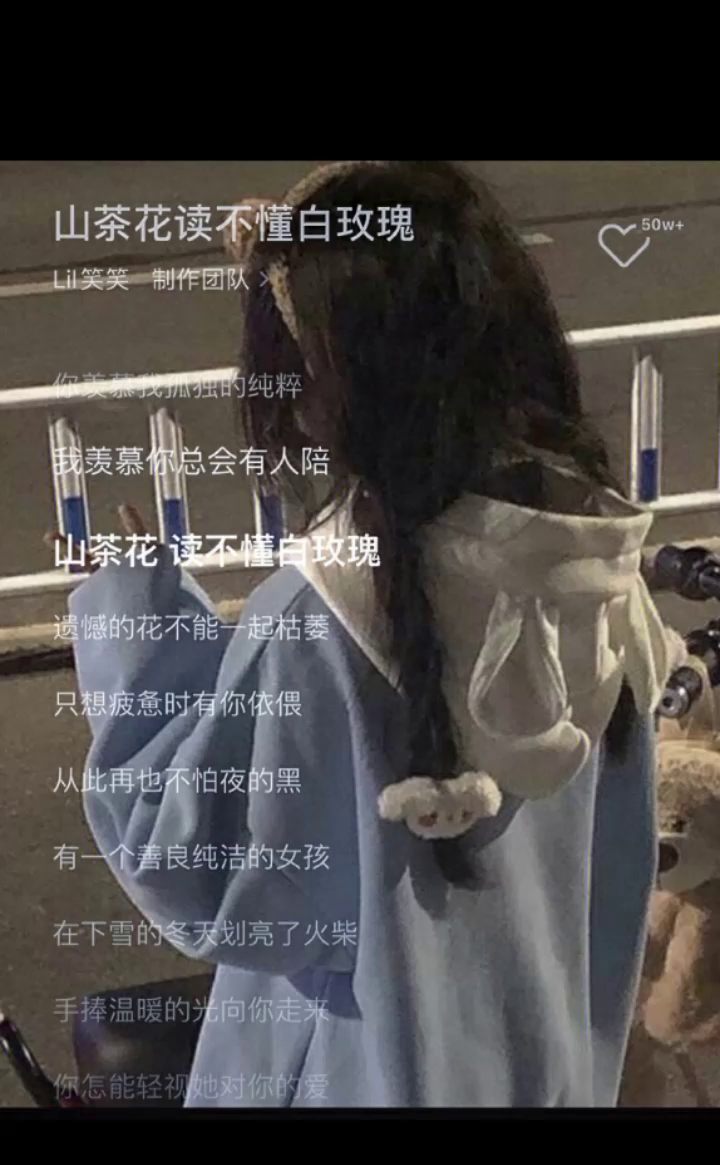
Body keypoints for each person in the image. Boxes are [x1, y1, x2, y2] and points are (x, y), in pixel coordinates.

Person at [50, 160, 676, 1108]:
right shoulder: (596, 566)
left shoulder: (328, 617)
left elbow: (200, 865)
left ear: (319, 380)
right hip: (553, 1071)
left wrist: (135, 615)